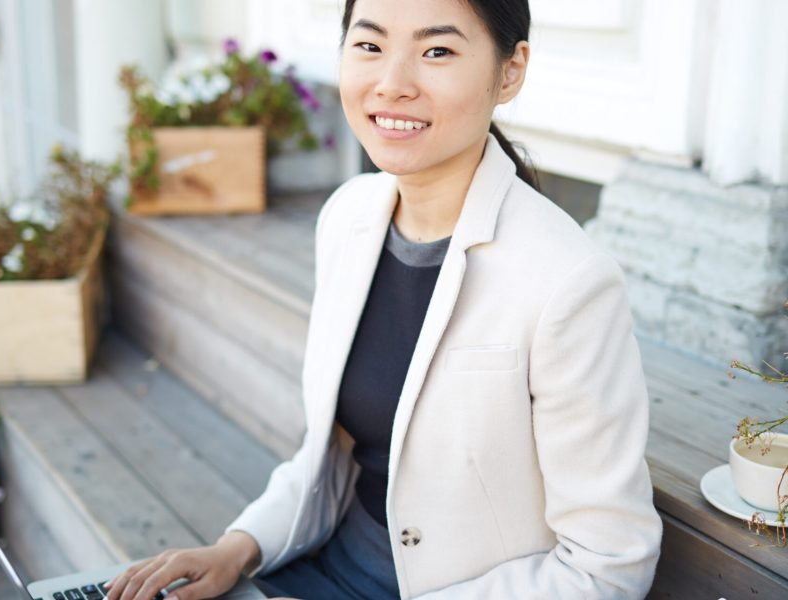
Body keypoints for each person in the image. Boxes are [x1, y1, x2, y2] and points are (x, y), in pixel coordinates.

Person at [105, 0, 663, 598]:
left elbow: (607, 565)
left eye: (437, 51)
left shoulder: (567, 282)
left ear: (510, 71)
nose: (391, 85)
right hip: (321, 566)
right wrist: (236, 548)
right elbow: (331, 460)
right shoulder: (349, 217)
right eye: (369, 45)